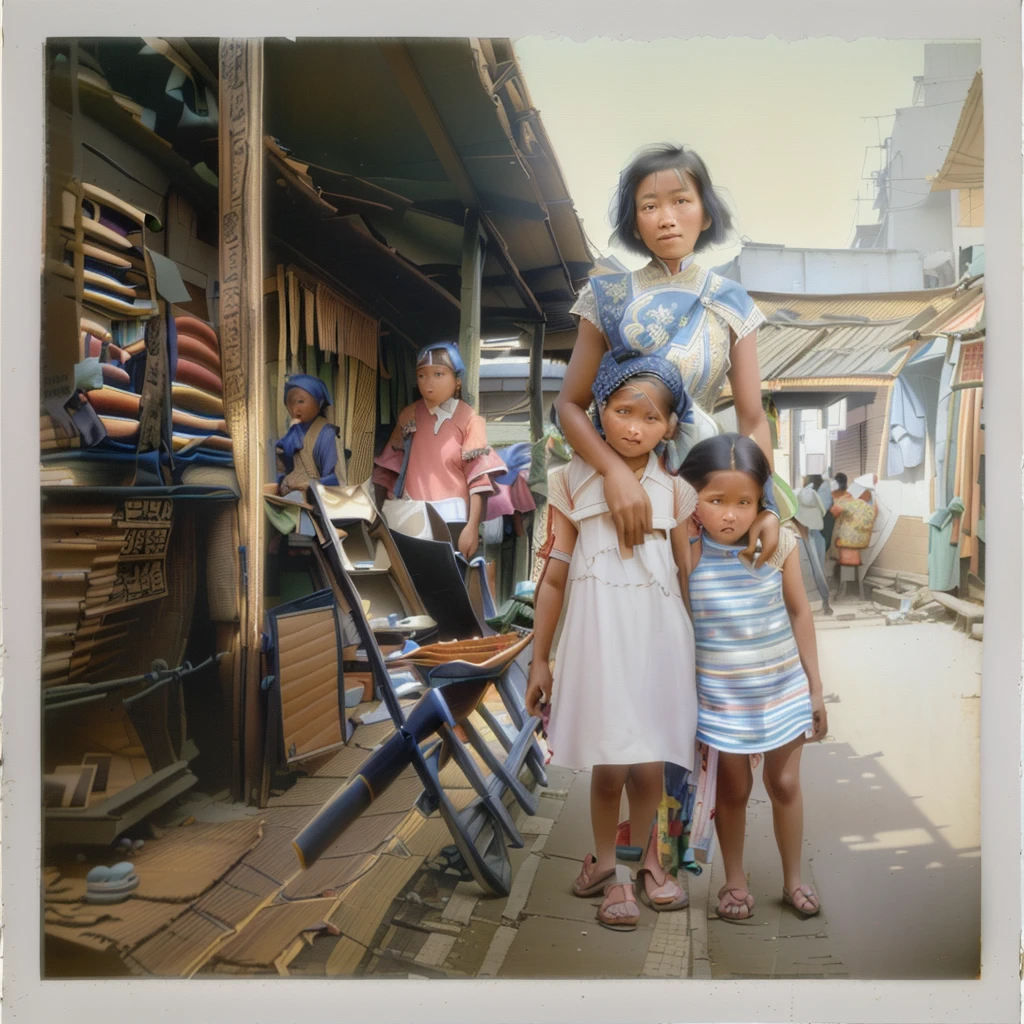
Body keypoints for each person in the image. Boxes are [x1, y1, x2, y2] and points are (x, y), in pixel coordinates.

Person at [525, 353, 698, 932]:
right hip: (599, 642)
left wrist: (699, 657)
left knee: (648, 766)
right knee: (608, 767)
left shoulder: (676, 492)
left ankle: (620, 866)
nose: (632, 427)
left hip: (657, 643)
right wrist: (539, 659)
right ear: (599, 412)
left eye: (650, 418)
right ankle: (615, 876)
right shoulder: (571, 480)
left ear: (670, 426)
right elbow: (553, 576)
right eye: (622, 411)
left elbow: (685, 576)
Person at [554, 142, 782, 567]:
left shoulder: (731, 302)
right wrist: (615, 472)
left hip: (706, 496)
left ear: (706, 213)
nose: (666, 218)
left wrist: (767, 505)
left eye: (681, 201)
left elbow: (752, 420)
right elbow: (569, 405)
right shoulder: (605, 297)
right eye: (649, 206)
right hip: (621, 493)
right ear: (635, 223)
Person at [680, 434, 828, 923]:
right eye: (715, 500)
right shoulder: (689, 550)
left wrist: (815, 688)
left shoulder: (779, 541)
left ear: (761, 499)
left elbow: (800, 612)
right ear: (692, 497)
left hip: (781, 688)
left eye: (744, 502)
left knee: (785, 784)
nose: (730, 514)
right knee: (735, 790)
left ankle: (793, 880)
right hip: (722, 699)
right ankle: (735, 882)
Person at [372, 342, 506, 560]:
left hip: (453, 520)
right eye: (422, 376)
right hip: (409, 516)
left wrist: (472, 527)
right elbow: (388, 469)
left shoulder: (470, 420)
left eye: (438, 374)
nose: (428, 383)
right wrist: (378, 516)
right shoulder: (410, 414)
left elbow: (478, 481)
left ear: (457, 381)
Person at [275, 374, 346, 495]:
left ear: (319, 402)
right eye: (289, 403)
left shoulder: (326, 435)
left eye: (300, 401)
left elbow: (334, 478)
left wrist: (310, 487)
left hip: (315, 501)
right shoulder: (291, 434)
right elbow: (282, 470)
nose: (294, 408)